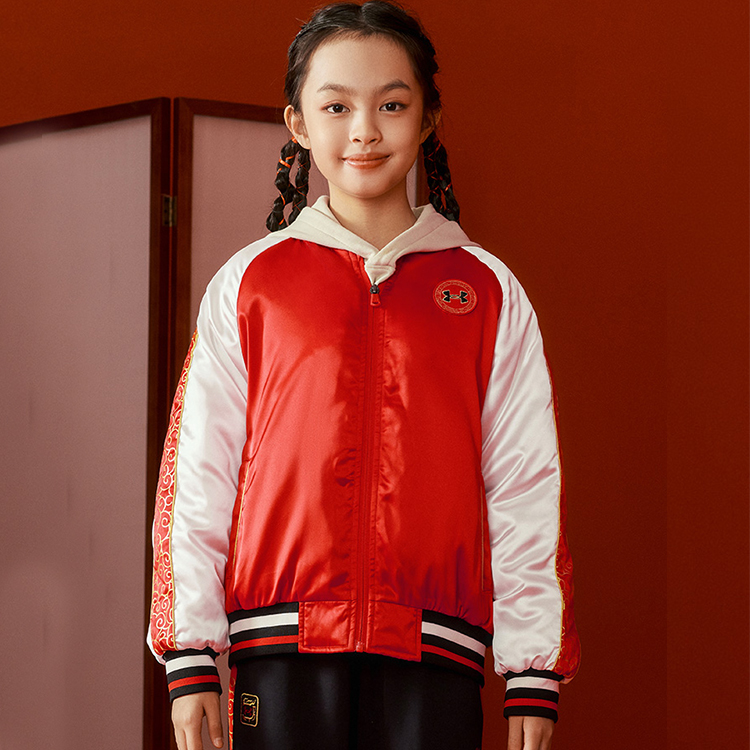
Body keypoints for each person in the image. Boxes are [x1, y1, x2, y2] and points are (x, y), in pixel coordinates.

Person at [147, 2, 580, 749]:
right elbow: (197, 475)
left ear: (429, 117)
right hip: (278, 648)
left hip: (434, 652)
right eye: (337, 106)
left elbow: (525, 484)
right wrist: (190, 654)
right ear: (297, 122)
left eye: (392, 105)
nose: (365, 131)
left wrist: (532, 673)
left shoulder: (487, 291)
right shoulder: (250, 284)